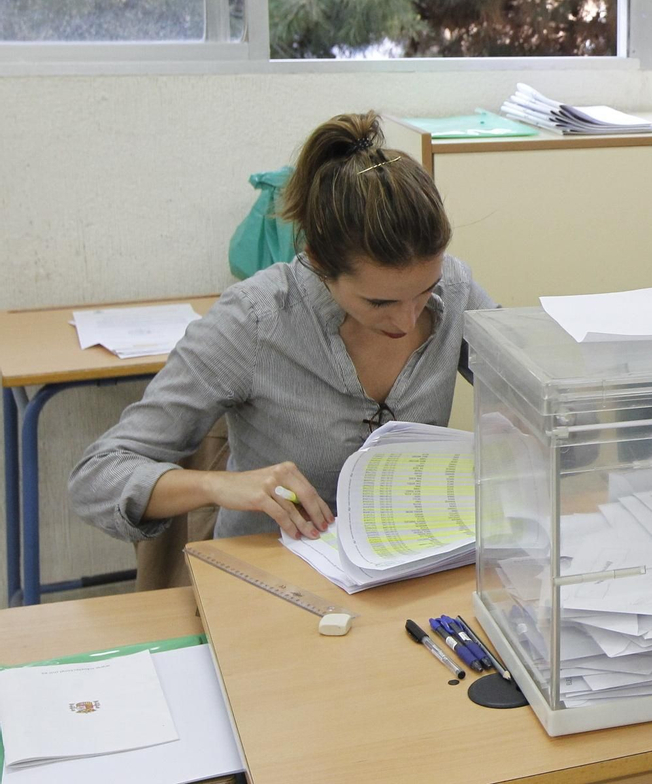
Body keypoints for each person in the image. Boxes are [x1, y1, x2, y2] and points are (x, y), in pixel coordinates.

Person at [71, 112, 495, 544]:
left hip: (410, 563)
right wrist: (217, 485)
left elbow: (541, 395)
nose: (407, 320)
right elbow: (97, 476)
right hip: (271, 577)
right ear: (318, 261)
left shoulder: (457, 289)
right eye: (379, 302)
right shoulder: (253, 321)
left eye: (425, 290)